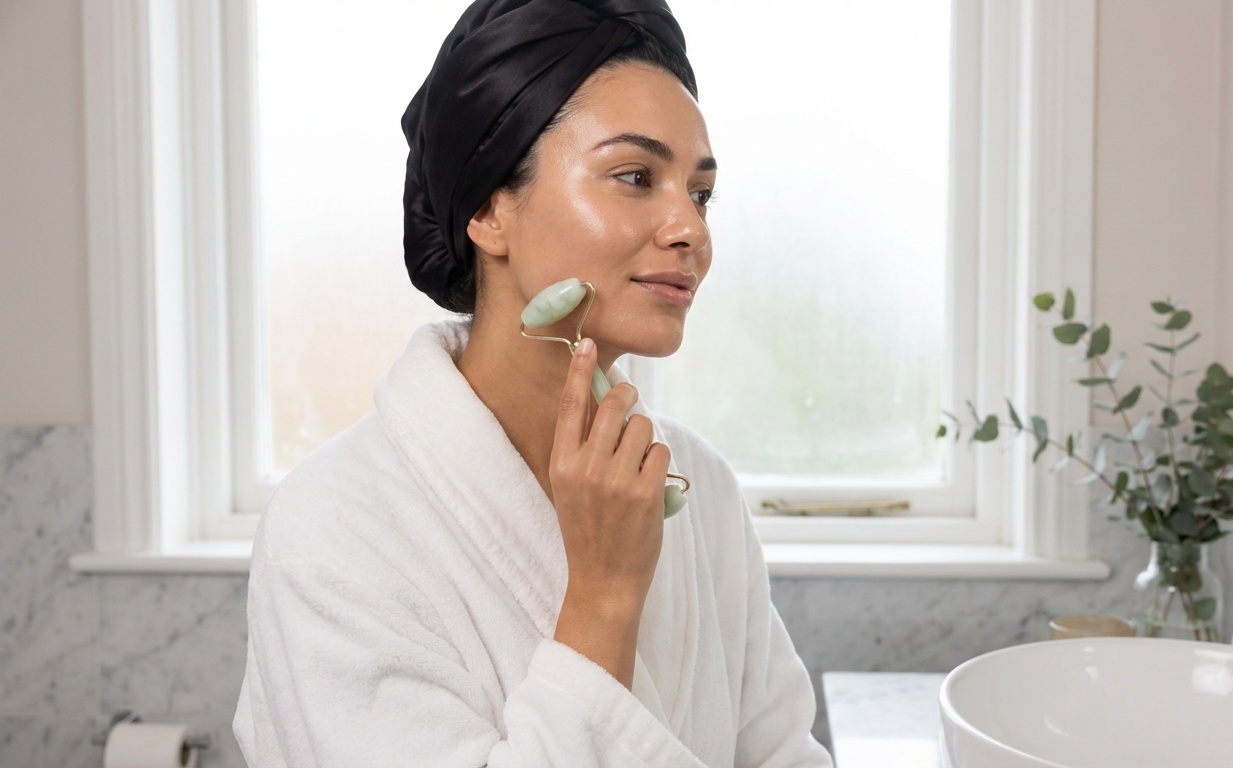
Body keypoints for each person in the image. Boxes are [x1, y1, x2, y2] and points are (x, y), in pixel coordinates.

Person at [232, 1, 834, 765]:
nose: (693, 229)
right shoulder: (332, 528)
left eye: (701, 192)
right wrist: (604, 596)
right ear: (489, 208)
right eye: (635, 176)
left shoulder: (697, 487)